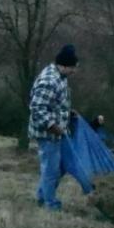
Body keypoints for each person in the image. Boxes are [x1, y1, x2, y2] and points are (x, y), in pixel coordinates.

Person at [28, 44, 79, 211]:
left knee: (59, 167)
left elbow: (54, 103)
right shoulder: (49, 81)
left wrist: (68, 113)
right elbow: (37, 108)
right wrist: (52, 126)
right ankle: (49, 204)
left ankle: (43, 197)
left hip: (58, 133)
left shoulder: (60, 78)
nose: (74, 71)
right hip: (47, 134)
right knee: (51, 170)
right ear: (63, 66)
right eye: (72, 68)